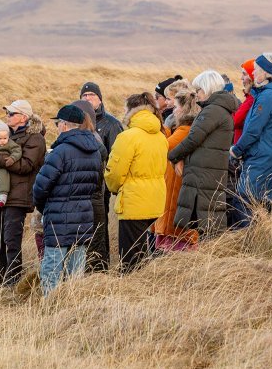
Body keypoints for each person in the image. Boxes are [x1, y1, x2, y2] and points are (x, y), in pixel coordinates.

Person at [32, 104, 104, 296]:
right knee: (76, 270)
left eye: (58, 123)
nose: (57, 127)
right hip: (83, 216)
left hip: (58, 219)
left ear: (64, 125)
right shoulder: (95, 150)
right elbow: (97, 183)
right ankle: (73, 307)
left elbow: (40, 187)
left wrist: (44, 208)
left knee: (52, 269)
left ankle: (50, 308)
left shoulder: (60, 151)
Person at [169, 71, 239, 239]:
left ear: (207, 89)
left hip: (203, 178)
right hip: (208, 175)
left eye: (198, 90)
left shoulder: (212, 111)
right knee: (207, 225)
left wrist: (172, 156)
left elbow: (193, 139)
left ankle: (210, 263)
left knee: (207, 227)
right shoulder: (218, 110)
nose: (196, 94)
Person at [105, 92, 168, 272]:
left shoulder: (128, 137)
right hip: (155, 201)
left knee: (130, 259)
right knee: (141, 253)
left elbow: (115, 173)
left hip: (133, 202)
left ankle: (133, 291)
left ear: (131, 110)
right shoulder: (160, 136)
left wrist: (114, 188)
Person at [0, 100, 45, 287]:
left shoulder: (35, 138)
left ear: (23, 117)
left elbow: (26, 165)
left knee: (11, 241)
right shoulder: (3, 136)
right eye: (7, 113)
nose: (7, 116)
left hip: (17, 198)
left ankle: (12, 282)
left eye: (11, 113)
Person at [230, 54, 272, 228]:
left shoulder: (267, 97)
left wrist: (236, 150)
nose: (253, 73)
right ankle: (258, 247)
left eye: (256, 69)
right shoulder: (270, 95)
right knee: (259, 212)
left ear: (265, 73)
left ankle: (246, 251)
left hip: (260, 163)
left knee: (243, 207)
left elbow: (253, 131)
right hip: (267, 161)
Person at [79, 82, 123, 272]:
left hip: (101, 188)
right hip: (81, 186)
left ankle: (100, 267)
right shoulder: (76, 123)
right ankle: (84, 266)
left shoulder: (111, 124)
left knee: (99, 228)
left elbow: (116, 157)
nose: (88, 98)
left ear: (100, 99)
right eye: (84, 95)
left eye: (91, 95)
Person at [153, 82, 200, 252]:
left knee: (177, 241)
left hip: (176, 188)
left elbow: (165, 147)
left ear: (184, 109)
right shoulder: (186, 128)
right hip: (177, 187)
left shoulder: (185, 129)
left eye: (177, 106)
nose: (173, 110)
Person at [228, 59, 257, 227]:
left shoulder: (252, 99)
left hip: (241, 153)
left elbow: (236, 120)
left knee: (241, 198)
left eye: (245, 74)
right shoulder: (248, 98)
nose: (241, 78)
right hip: (239, 151)